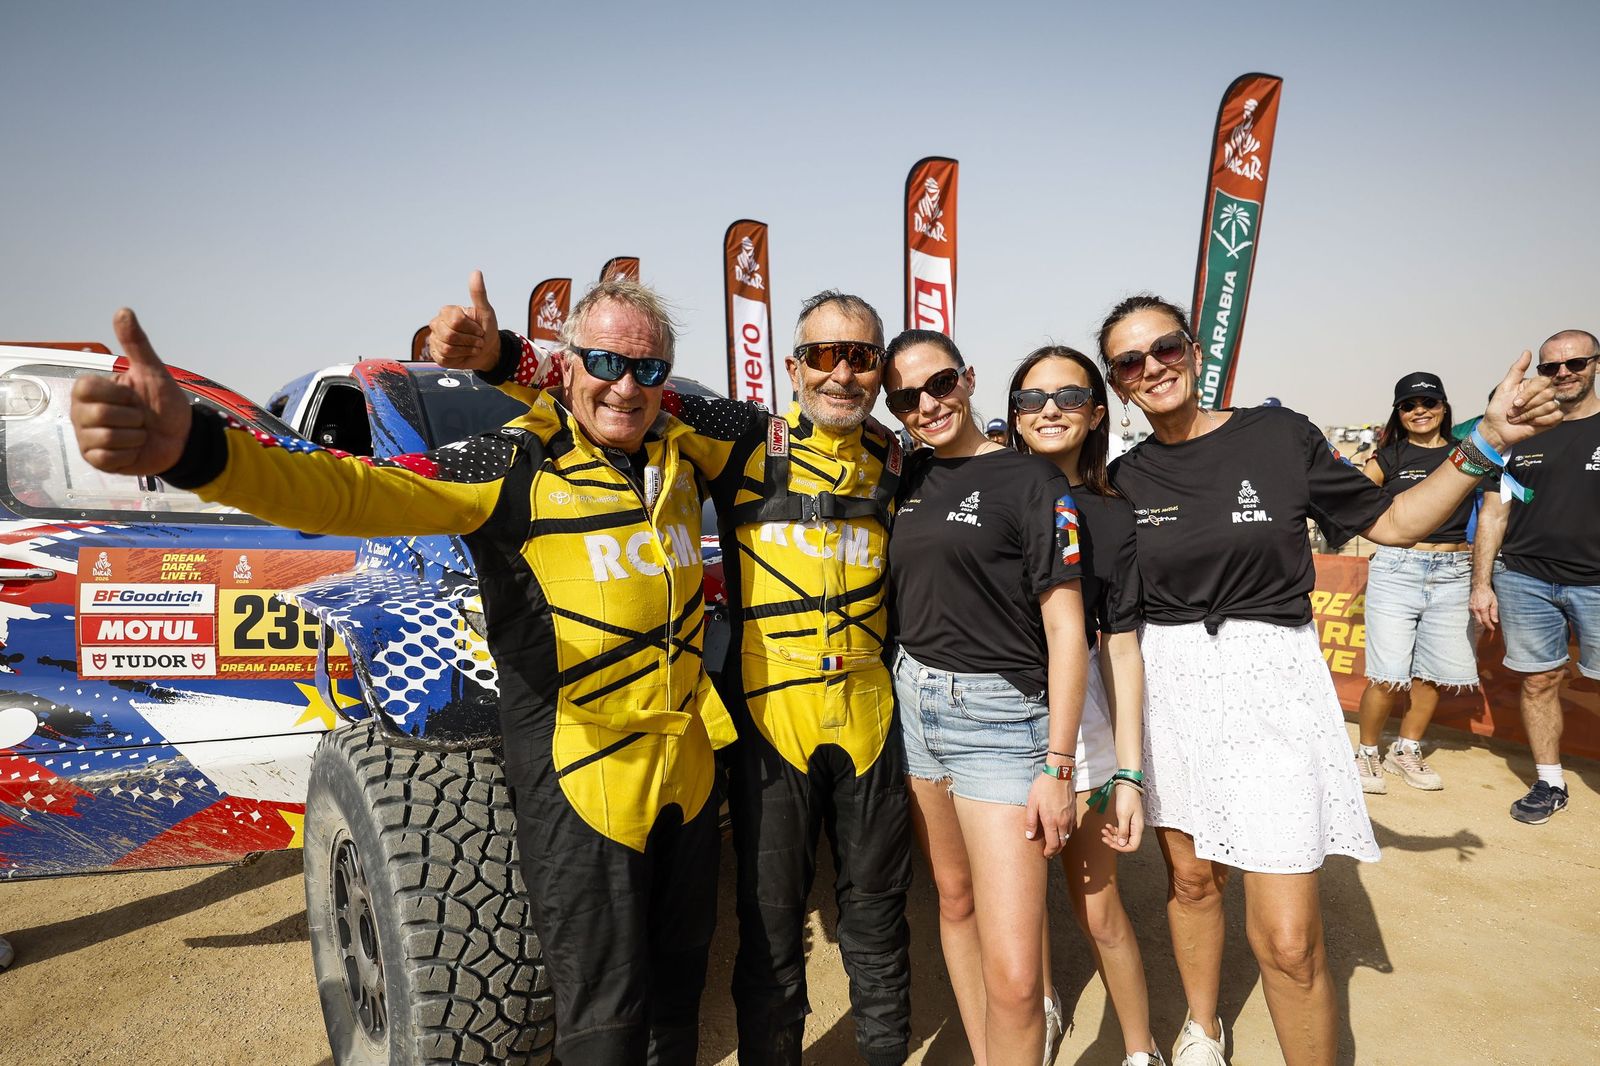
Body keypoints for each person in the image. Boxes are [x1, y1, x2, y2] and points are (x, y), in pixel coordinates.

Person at [72, 285, 738, 1066]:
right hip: (582, 780)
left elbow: (778, 430)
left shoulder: (680, 446)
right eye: (603, 361)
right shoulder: (509, 462)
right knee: (604, 1023)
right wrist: (202, 452)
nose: (625, 384)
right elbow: (353, 488)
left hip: (688, 775)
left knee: (677, 1000)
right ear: (566, 367)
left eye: (646, 366)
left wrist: (501, 354)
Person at [431, 280, 913, 1066]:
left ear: (878, 366)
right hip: (752, 723)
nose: (842, 372)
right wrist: (498, 357)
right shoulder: (746, 437)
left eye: (860, 356)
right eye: (824, 354)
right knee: (766, 927)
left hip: (866, 717)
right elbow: (627, 390)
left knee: (879, 917)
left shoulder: (896, 457)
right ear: (793, 367)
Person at [1095, 293, 1560, 1066]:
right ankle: (1202, 1027)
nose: (1153, 368)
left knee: (1288, 940)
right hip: (1173, 684)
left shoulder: (1280, 436)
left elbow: (1396, 522)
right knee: (1193, 880)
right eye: (1130, 362)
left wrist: (1486, 445)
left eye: (1166, 348)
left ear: (1194, 351)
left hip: (1274, 681)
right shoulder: (1123, 478)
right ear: (1118, 384)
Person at [882, 329, 1087, 1066]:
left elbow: (1068, 631)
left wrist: (1058, 767)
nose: (926, 405)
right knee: (955, 899)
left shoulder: (1033, 482)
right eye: (905, 397)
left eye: (939, 384)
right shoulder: (908, 477)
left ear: (967, 379)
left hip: (1000, 721)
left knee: (1015, 973)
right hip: (916, 706)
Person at [1006, 346, 1164, 1066]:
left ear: (1097, 413)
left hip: (1084, 731)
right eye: (1032, 397)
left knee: (1099, 909)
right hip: (994, 720)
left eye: (1069, 396)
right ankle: (1036, 1011)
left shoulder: (1112, 513)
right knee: (1017, 902)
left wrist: (1130, 774)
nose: (1049, 409)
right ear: (1011, 413)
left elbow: (1122, 649)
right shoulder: (984, 493)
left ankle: (1139, 1050)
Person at [1471, 328, 1600, 824]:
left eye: (1575, 363)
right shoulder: (1520, 433)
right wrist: (1482, 583)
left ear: (1594, 365)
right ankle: (1550, 783)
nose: (1564, 373)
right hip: (1524, 580)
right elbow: (1493, 513)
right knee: (1539, 682)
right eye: (1551, 367)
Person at [1353, 372, 1477, 794]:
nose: (1419, 411)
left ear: (1443, 407)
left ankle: (1405, 749)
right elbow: (1349, 497)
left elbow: (1497, 510)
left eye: (1428, 402)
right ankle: (1367, 752)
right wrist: (1381, 535)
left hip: (1455, 572)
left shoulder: (1468, 455)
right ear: (1399, 413)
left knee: (1430, 676)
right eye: (1408, 405)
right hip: (1398, 570)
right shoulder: (1388, 458)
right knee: (1388, 676)